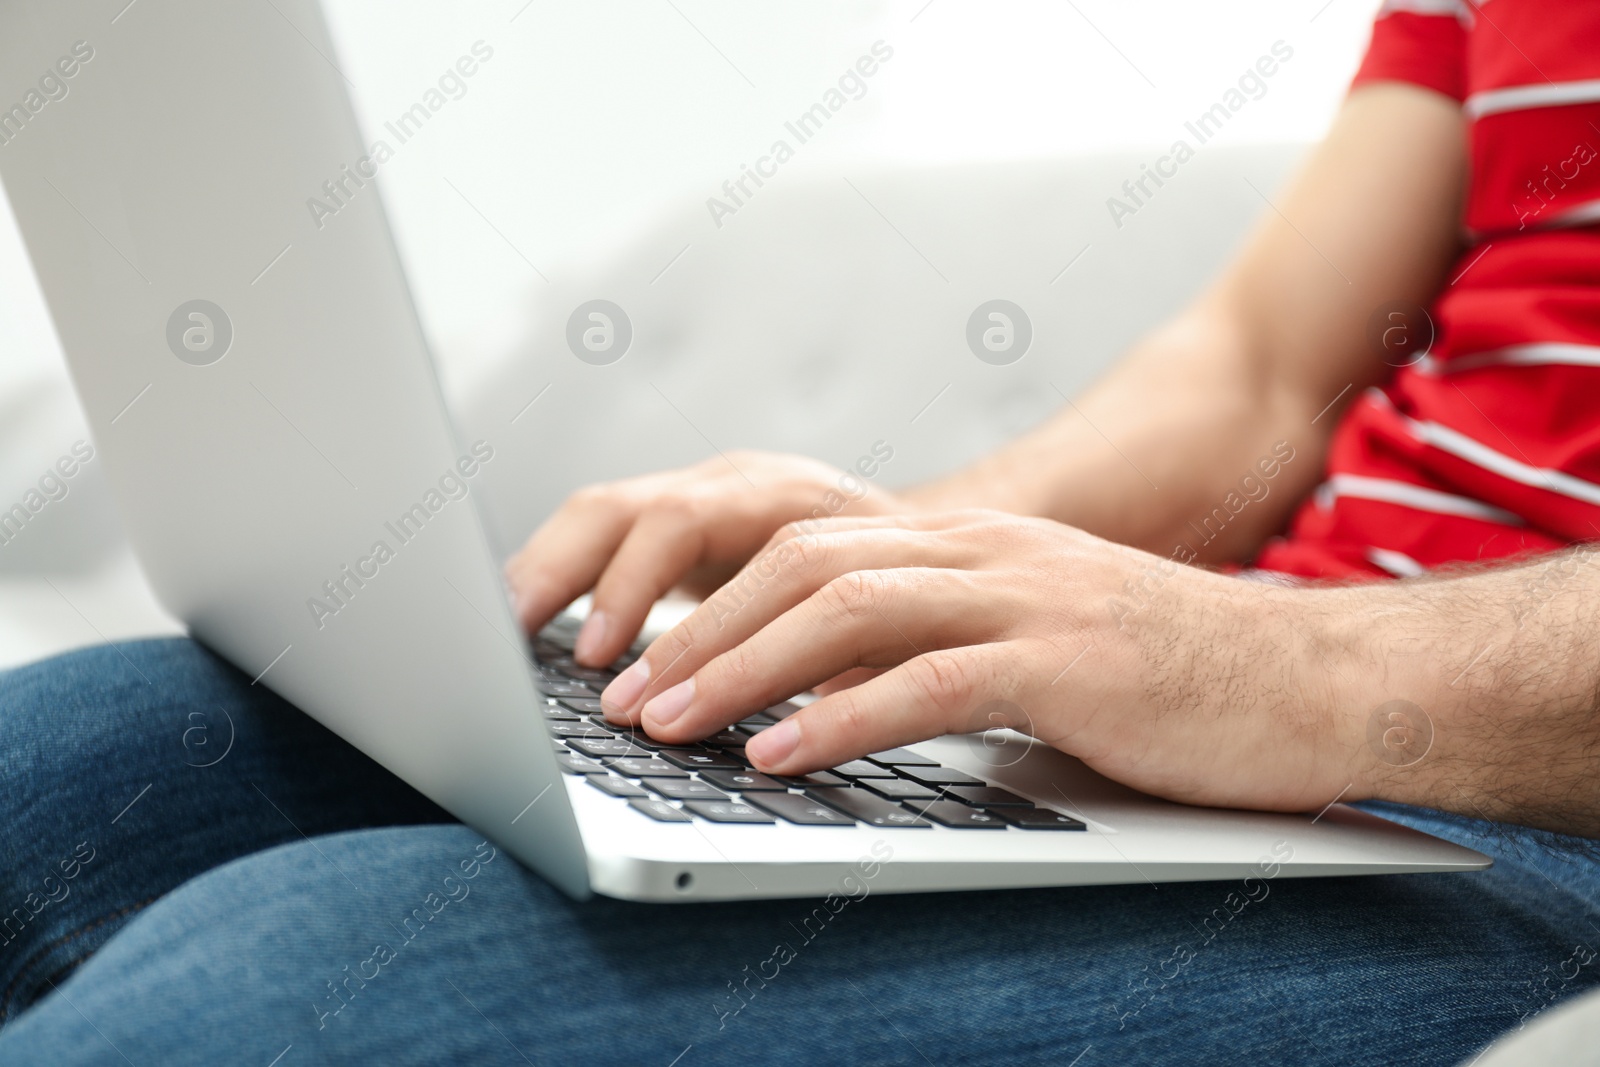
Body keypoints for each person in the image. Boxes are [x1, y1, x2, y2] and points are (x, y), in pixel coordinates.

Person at [3, 2, 1599, 1062]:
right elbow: (1259, 367)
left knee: (285, 998)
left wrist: (1292, 667)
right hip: (1240, 730)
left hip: (1524, 806)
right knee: (67, 761)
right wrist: (892, 560)